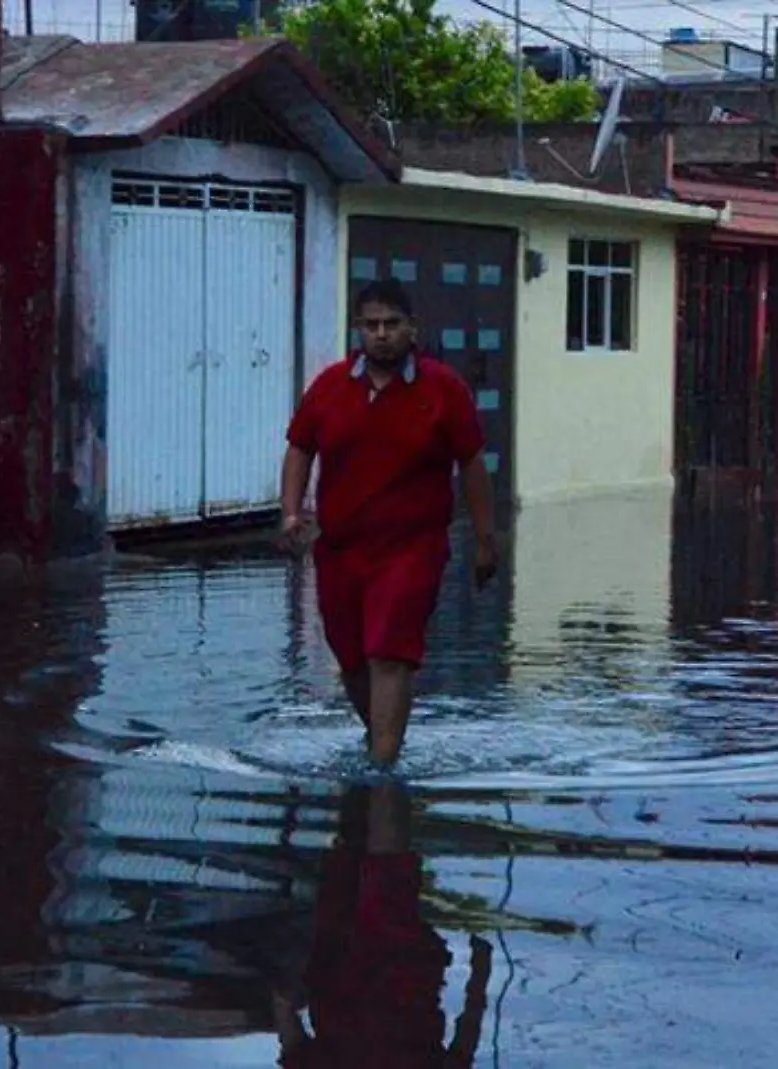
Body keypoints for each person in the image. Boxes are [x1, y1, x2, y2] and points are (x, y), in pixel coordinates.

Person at [280, 279, 498, 768]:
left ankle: (382, 773)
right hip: (340, 548)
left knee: (388, 651)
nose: (381, 335)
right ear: (358, 330)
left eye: (392, 324)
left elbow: (473, 465)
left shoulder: (442, 389)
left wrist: (486, 540)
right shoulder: (331, 386)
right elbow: (300, 447)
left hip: (411, 548)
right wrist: (291, 512)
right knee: (352, 658)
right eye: (372, 325)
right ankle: (380, 738)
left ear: (412, 329)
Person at [271, 780, 492, 1069]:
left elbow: (467, 1035)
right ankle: (381, 771)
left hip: (364, 976)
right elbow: (287, 1020)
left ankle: (377, 770)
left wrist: (480, 972)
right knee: (375, 864)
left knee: (371, 859)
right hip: (375, 978)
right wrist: (480, 972)